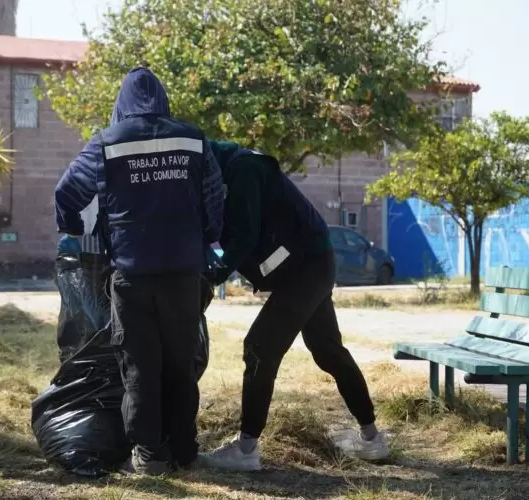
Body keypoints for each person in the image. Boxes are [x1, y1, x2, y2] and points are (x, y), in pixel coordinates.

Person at [53, 67, 225, 476]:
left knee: (140, 367)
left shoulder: (107, 142)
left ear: (122, 102)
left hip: (133, 274)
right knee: (180, 364)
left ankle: (150, 456)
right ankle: (185, 452)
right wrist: (207, 235)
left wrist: (75, 228)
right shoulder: (192, 139)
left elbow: (67, 191)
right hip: (183, 273)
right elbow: (215, 195)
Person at [199, 141, 389, 472]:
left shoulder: (244, 170)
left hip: (305, 268)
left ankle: (246, 449)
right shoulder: (235, 166)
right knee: (328, 350)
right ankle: (372, 438)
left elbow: (244, 236)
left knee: (259, 347)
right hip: (312, 261)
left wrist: (212, 275)